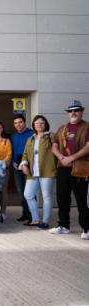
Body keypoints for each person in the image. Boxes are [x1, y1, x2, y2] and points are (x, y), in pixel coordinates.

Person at [50, 100, 89, 239]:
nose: (73, 113)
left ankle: (86, 228)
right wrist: (61, 157)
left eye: (76, 110)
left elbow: (88, 146)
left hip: (80, 168)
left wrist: (71, 158)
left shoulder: (87, 126)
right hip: (62, 168)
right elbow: (54, 146)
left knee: (81, 200)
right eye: (71, 111)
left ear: (82, 111)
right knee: (62, 198)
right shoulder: (62, 128)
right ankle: (63, 226)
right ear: (68, 113)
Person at [19, 115, 56, 229]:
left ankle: (45, 221)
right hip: (32, 172)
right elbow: (25, 154)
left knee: (46, 196)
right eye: (36, 123)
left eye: (42, 122)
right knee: (28, 194)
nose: (39, 125)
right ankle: (35, 219)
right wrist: (24, 164)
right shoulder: (30, 139)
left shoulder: (51, 136)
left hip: (47, 171)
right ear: (33, 125)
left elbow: (58, 150)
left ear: (45, 124)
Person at [11, 114, 34, 223]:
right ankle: (25, 214)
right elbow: (13, 152)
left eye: (20, 122)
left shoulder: (31, 134)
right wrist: (13, 162)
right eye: (15, 123)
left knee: (30, 192)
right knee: (21, 191)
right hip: (17, 167)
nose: (18, 125)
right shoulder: (14, 136)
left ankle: (33, 216)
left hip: (28, 167)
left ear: (24, 122)